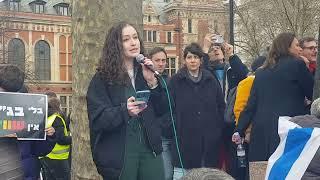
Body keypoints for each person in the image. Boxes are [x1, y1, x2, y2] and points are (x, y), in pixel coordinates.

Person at [86, 22, 168, 180]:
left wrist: (153, 83)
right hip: (120, 156)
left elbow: (163, 109)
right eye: (126, 39)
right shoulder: (102, 78)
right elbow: (97, 119)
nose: (133, 42)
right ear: (116, 45)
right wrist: (125, 111)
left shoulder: (147, 72)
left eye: (136, 37)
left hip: (149, 151)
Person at [232, 32, 314, 162]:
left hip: (261, 132)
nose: (300, 49)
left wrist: (239, 129)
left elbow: (251, 105)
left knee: (262, 171)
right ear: (287, 47)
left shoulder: (261, 72)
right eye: (297, 45)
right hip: (287, 128)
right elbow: (312, 93)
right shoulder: (297, 65)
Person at [169, 43, 225, 178]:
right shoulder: (176, 81)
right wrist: (175, 127)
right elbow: (169, 108)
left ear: (201, 60)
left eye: (195, 57)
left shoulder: (211, 79)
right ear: (184, 60)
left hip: (209, 142)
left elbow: (220, 106)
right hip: (184, 141)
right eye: (189, 57)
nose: (192, 60)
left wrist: (217, 128)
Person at [148, 47, 173, 180]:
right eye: (157, 60)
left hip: (173, 134)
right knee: (166, 175)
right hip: (159, 136)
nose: (161, 63)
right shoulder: (145, 81)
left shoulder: (169, 80)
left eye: (164, 60)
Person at [40, 91, 72, 180]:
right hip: (59, 158)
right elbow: (61, 139)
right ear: (57, 106)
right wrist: (73, 139)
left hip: (45, 156)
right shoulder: (57, 118)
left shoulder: (44, 117)